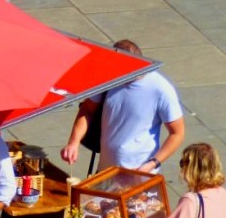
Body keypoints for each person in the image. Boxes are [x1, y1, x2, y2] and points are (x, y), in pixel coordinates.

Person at [60, 39, 185, 174]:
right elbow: (87, 110)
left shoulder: (161, 89)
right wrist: (74, 142)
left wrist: (152, 163)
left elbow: (177, 133)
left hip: (139, 173)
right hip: (105, 170)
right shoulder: (109, 78)